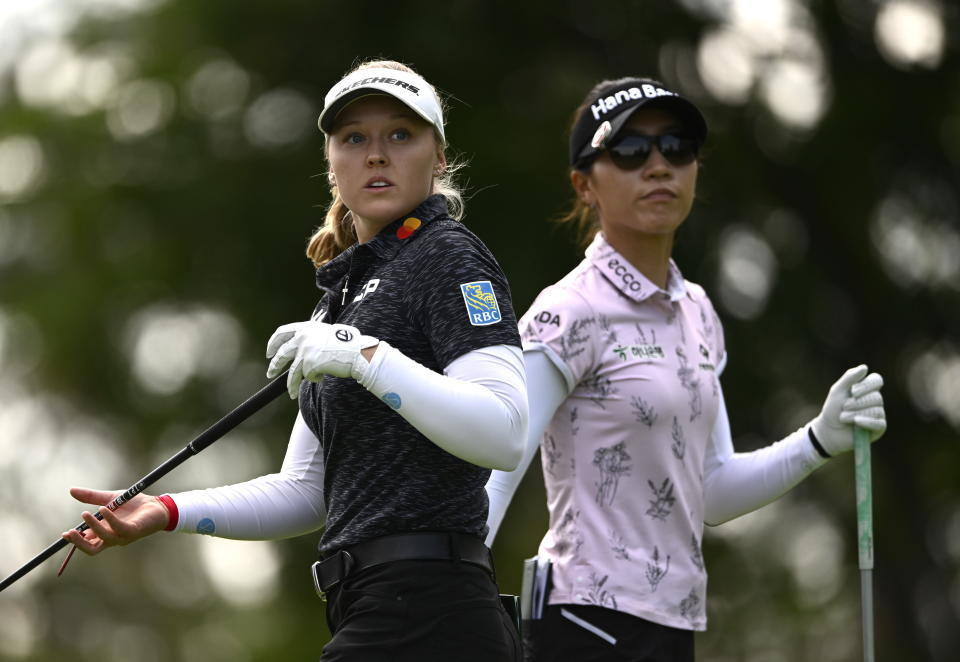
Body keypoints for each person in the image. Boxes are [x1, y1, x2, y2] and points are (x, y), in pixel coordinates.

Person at [61, 59, 527, 661]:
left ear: (438, 156)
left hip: (435, 612)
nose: (376, 155)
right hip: (372, 606)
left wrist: (361, 356)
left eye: (400, 135)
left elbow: (505, 432)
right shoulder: (342, 298)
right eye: (354, 138)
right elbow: (306, 490)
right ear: (332, 164)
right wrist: (168, 510)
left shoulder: (450, 258)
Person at [483, 77, 887, 662]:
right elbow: (500, 457)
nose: (658, 166)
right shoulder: (569, 309)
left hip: (674, 623)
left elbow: (712, 493)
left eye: (676, 148)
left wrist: (818, 440)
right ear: (584, 184)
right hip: (585, 623)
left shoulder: (697, 310)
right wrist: (451, 593)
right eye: (629, 151)